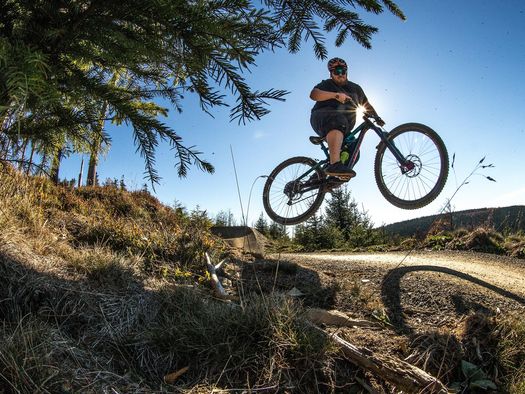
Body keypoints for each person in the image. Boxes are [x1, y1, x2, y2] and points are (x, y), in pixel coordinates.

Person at [310, 57, 384, 177]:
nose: (340, 74)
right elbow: (314, 94)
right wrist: (336, 95)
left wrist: (376, 117)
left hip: (344, 128)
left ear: (346, 71)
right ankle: (335, 165)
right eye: (336, 72)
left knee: (354, 150)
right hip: (322, 117)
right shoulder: (327, 84)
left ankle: (331, 180)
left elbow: (366, 104)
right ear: (331, 74)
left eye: (342, 71)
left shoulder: (355, 88)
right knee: (337, 119)